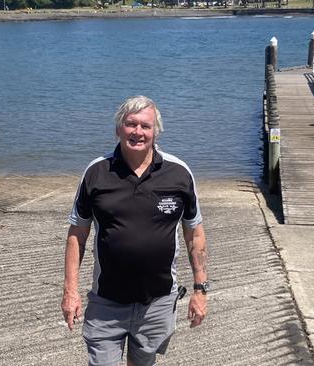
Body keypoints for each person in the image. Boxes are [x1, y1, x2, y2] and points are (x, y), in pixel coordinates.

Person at [61, 96, 209, 366]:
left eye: (145, 126)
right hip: (106, 302)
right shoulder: (96, 172)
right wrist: (70, 291)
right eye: (130, 124)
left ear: (156, 132)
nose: (138, 132)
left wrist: (200, 290)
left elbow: (194, 233)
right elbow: (77, 235)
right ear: (118, 128)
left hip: (158, 302)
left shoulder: (179, 173)